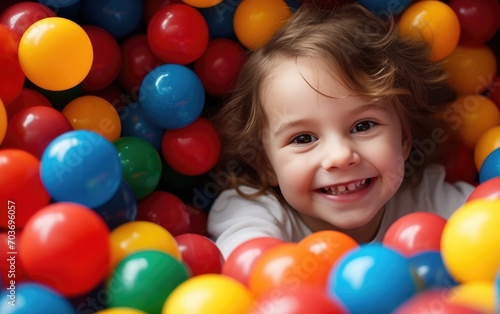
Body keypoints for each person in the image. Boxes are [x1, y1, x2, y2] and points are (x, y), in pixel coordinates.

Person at [206, 3, 475, 259]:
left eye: (363, 126)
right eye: (303, 139)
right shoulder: (253, 213)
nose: (340, 156)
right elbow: (247, 267)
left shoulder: (427, 199)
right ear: (266, 163)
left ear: (404, 138)